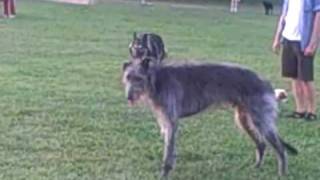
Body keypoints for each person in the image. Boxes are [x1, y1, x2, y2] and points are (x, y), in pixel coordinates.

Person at [272, 0, 320, 121]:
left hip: (303, 42)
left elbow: (318, 17)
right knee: (294, 77)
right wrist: (277, 38)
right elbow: (284, 15)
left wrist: (313, 42)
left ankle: (311, 111)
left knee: (306, 78)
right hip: (288, 38)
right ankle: (300, 110)